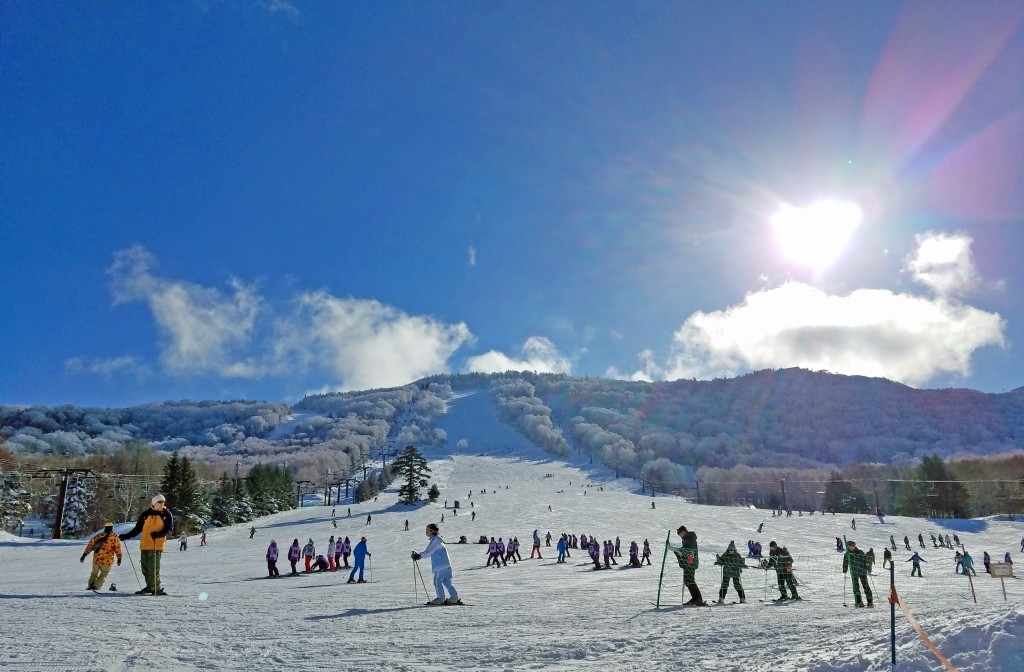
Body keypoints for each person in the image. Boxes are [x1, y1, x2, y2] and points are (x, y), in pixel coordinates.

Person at [120, 494, 173, 595]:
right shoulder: (145, 514)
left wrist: (159, 534)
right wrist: (126, 536)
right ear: (154, 503)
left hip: (156, 545)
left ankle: (156, 587)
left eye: (163, 502)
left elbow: (169, 529)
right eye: (159, 502)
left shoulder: (166, 514)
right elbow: (138, 529)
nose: (162, 504)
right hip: (145, 544)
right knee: (145, 568)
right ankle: (149, 586)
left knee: (153, 567)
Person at [412, 522, 459, 605]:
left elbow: (428, 552)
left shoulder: (435, 540)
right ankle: (454, 597)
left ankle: (440, 598)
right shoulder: (438, 540)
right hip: (446, 564)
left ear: (432, 531)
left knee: (437, 581)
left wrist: (419, 556)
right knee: (446, 581)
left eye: (427, 530)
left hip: (440, 565)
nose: (426, 532)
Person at [80, 522, 122, 591]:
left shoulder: (99, 536)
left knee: (94, 573)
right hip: (107, 560)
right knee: (104, 574)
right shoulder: (114, 537)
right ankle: (96, 587)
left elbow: (90, 545)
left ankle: (90, 586)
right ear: (112, 528)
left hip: (97, 559)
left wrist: (84, 554)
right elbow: (117, 548)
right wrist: (119, 558)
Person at [673, 525, 706, 606]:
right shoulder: (685, 539)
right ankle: (695, 598)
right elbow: (685, 550)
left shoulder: (690, 538)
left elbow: (689, 550)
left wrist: (679, 550)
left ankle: (698, 599)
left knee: (690, 580)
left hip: (691, 562)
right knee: (687, 580)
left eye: (679, 533)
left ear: (683, 531)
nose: (679, 535)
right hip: (687, 562)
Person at [843, 541, 873, 607]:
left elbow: (865, 559)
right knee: (856, 587)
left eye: (854, 545)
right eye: (851, 545)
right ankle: (859, 602)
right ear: (848, 546)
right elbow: (845, 562)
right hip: (854, 572)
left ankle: (870, 602)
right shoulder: (847, 554)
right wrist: (845, 568)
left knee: (866, 586)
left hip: (862, 571)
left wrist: (868, 567)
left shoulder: (860, 552)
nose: (853, 546)